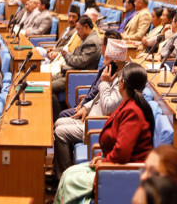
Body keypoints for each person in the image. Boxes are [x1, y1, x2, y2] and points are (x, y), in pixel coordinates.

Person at [54, 63, 154, 204]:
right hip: (113, 163)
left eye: (118, 79)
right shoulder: (127, 104)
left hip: (121, 172)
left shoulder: (133, 112)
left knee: (70, 180)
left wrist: (104, 161)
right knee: (68, 173)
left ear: (122, 83)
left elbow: (122, 152)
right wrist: (101, 155)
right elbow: (118, 142)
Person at [52, 36, 127, 180]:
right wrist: (86, 107)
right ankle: (60, 170)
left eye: (106, 60)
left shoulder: (123, 79)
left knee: (60, 132)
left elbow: (108, 107)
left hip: (98, 123)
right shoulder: (114, 71)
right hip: (91, 115)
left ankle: (65, 176)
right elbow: (98, 97)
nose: (104, 63)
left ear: (115, 62)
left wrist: (104, 83)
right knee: (58, 122)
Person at [51, 16, 101, 118]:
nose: (77, 33)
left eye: (79, 29)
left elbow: (80, 62)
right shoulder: (88, 38)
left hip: (77, 76)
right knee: (46, 79)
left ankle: (56, 118)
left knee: (49, 88)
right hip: (70, 73)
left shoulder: (91, 42)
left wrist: (67, 54)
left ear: (86, 26)